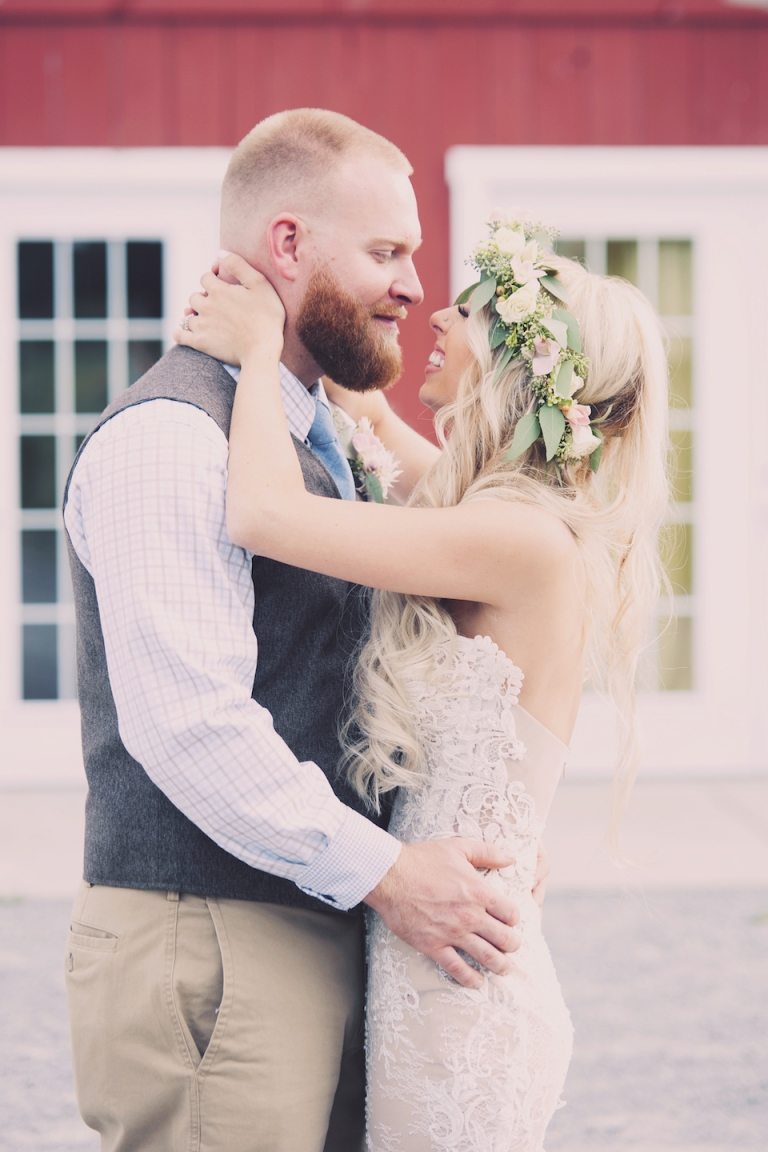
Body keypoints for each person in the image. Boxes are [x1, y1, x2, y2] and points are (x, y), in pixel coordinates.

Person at [62, 110, 546, 1152]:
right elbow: (191, 722)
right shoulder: (170, 439)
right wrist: (391, 874)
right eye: (388, 252)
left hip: (318, 921)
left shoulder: (316, 437)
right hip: (213, 938)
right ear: (288, 247)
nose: (415, 289)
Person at [175, 215, 670, 1150]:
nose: (436, 310)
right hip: (436, 950)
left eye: (474, 310)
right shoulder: (485, 507)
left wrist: (248, 350)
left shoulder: (515, 539)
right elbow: (367, 418)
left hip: (461, 993)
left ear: (519, 368)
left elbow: (261, 510)